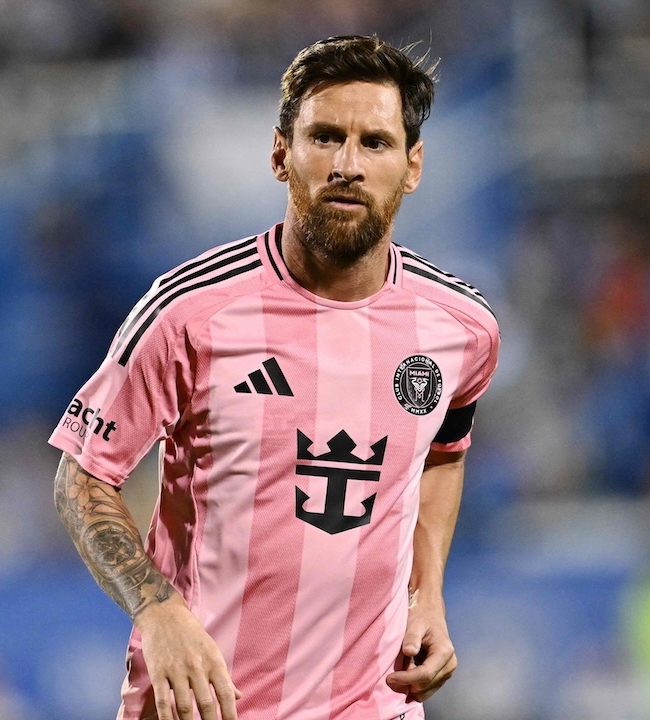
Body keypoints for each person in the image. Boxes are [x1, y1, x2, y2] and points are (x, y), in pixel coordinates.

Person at [50, 35, 499, 720]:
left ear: (412, 166)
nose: (348, 165)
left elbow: (444, 452)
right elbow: (83, 477)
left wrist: (426, 593)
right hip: (203, 705)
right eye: (325, 137)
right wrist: (158, 612)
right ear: (280, 153)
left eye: (375, 143)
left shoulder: (462, 328)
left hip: (372, 704)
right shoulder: (189, 313)